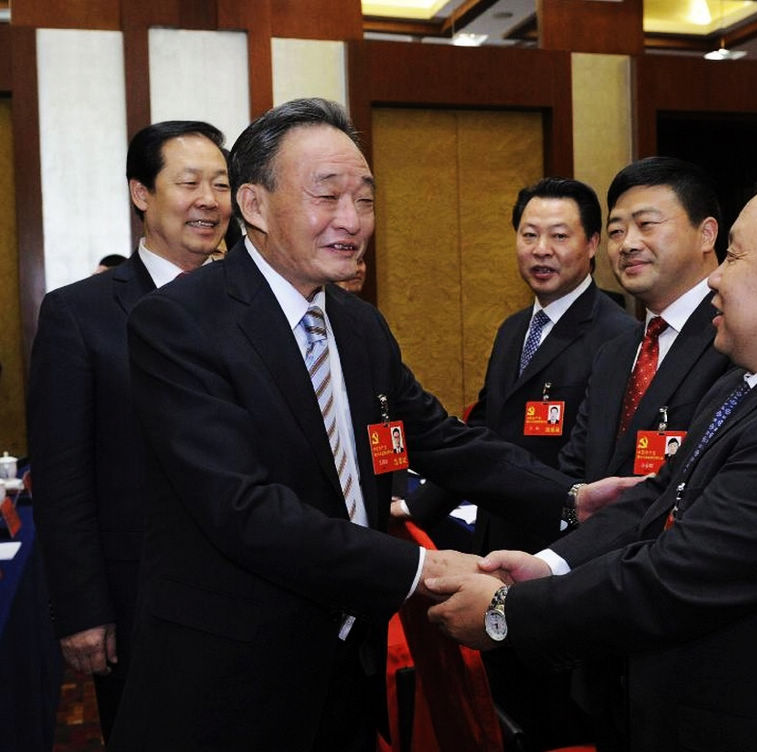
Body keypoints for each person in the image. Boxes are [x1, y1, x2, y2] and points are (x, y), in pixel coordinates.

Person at [109, 98, 634, 752]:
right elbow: (244, 510)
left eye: (365, 199)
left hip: (344, 662)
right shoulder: (180, 322)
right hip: (228, 670)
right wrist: (424, 567)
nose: (352, 222)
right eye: (327, 197)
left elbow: (439, 438)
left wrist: (570, 498)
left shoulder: (359, 326)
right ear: (253, 204)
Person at [430, 163, 757, 752]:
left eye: (735, 257)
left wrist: (509, 610)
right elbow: (656, 498)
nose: (717, 281)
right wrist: (551, 566)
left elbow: (674, 576)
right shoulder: (753, 382)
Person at [28, 120, 231, 743]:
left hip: (256, 596)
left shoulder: (255, 305)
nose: (209, 200)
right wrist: (83, 611)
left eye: (221, 185)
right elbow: (63, 477)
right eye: (189, 182)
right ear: (141, 194)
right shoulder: (79, 314)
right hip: (141, 601)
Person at [400, 177, 633, 556]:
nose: (541, 250)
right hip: (495, 536)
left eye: (559, 236)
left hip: (558, 547)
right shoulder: (513, 330)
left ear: (592, 244)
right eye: (529, 236)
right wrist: (418, 506)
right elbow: (483, 431)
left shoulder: (618, 337)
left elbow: (594, 461)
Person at [558, 156, 732, 483]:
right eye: (616, 231)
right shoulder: (614, 354)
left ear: (707, 234)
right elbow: (574, 476)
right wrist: (573, 517)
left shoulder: (736, 341)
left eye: (646, 225)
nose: (628, 244)